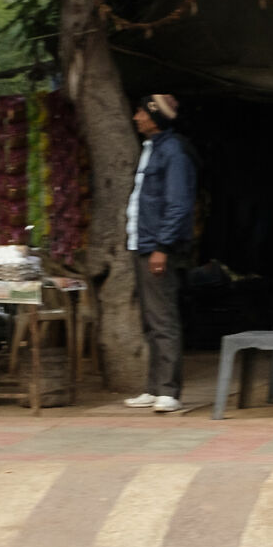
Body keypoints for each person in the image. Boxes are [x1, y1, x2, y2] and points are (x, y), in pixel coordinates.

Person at [123, 93, 197, 414]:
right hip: (143, 244)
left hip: (157, 247)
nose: (136, 116)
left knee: (163, 318)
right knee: (151, 320)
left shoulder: (174, 152)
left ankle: (169, 390)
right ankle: (154, 388)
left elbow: (178, 204)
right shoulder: (152, 149)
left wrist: (162, 247)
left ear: (155, 117)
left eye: (141, 111)